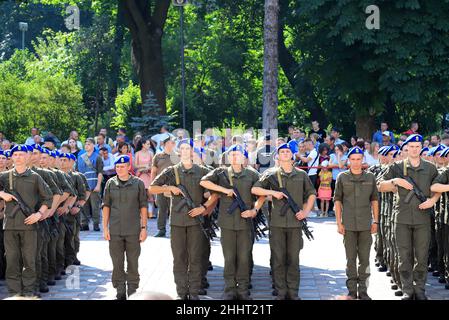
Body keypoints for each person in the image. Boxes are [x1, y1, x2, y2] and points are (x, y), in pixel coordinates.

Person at [149, 139, 219, 300]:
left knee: (195, 259)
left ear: (193, 152)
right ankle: (182, 293)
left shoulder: (202, 171)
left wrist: (204, 207)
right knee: (179, 259)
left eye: (189, 148)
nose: (186, 151)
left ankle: (193, 293)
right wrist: (169, 188)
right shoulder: (171, 171)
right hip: (177, 222)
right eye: (183, 148)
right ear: (179, 152)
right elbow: (152, 188)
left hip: (196, 222)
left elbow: (215, 193)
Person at [379, 134, 440, 300]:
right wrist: (396, 181)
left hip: (422, 219)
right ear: (406, 148)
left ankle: (420, 290)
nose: (415, 149)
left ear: (421, 148)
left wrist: (432, 201)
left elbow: (437, 187)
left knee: (421, 257)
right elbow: (380, 185)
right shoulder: (397, 167)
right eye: (411, 146)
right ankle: (407, 290)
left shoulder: (430, 168)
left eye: (418, 146)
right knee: (403, 257)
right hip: (402, 218)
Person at [252, 143, 316, 300]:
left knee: (293, 258)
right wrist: (272, 192)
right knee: (278, 259)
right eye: (282, 152)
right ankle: (281, 292)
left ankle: (293, 292)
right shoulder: (271, 174)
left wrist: (306, 211)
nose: (285, 154)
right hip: (277, 223)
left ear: (292, 156)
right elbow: (255, 190)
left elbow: (311, 194)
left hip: (295, 223)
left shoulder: (301, 174)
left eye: (288, 151)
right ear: (278, 157)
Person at [200, 144, 265, 300]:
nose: (235, 157)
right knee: (229, 257)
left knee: (243, 257)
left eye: (238, 154)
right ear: (228, 157)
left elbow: (261, 195)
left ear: (244, 157)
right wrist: (224, 190)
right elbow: (204, 182)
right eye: (232, 154)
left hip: (245, 222)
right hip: (227, 222)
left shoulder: (252, 174)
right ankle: (229, 290)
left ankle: (243, 290)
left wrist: (254, 210)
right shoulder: (221, 173)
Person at [0, 144, 53, 298]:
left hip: (29, 225)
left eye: (22, 155)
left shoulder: (35, 177)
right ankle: (15, 293)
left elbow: (48, 198)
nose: (19, 158)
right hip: (10, 225)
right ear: (12, 157)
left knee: (30, 261)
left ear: (28, 157)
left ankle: (29, 292)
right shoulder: (4, 176)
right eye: (15, 155)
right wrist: (2, 194)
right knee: (11, 261)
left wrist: (39, 214)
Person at [334, 146, 379, 300]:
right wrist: (339, 223)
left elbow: (374, 200)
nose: (355, 162)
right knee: (351, 259)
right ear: (348, 160)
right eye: (353, 159)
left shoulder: (370, 177)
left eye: (358, 159)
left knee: (365, 259)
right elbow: (337, 201)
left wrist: (376, 221)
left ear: (363, 160)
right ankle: (352, 290)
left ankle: (364, 290)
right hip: (349, 225)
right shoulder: (342, 177)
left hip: (366, 224)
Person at [103, 155, 148, 300]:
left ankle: (133, 291)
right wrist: (105, 228)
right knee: (117, 263)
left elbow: (143, 206)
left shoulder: (138, 183)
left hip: (133, 230)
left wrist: (144, 228)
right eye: (117, 167)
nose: (119, 169)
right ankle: (120, 291)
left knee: (133, 262)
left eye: (122, 166)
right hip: (115, 230)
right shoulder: (110, 183)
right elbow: (106, 206)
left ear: (129, 167)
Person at [150, 136, 178, 237]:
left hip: (174, 187)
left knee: (174, 209)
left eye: (174, 143)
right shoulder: (157, 156)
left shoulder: (178, 156)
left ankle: (174, 230)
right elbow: (153, 171)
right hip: (160, 186)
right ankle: (161, 230)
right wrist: (152, 185)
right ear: (165, 144)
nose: (173, 144)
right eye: (171, 143)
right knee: (162, 208)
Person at [76, 138, 103, 232]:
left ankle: (96, 224)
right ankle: (84, 224)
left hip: (94, 185)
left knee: (95, 206)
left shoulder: (97, 157)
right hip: (83, 186)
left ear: (93, 145)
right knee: (84, 206)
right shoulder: (80, 158)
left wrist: (98, 185)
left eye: (89, 144)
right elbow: (77, 173)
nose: (86, 146)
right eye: (85, 144)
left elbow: (100, 172)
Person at [134, 138, 154, 219]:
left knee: (150, 193)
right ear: (143, 144)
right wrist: (144, 167)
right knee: (140, 194)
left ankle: (150, 213)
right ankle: (141, 213)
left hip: (148, 174)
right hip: (140, 175)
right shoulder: (137, 153)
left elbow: (153, 164)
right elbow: (135, 165)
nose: (149, 145)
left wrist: (148, 168)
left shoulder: (151, 153)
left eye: (149, 144)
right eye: (148, 144)